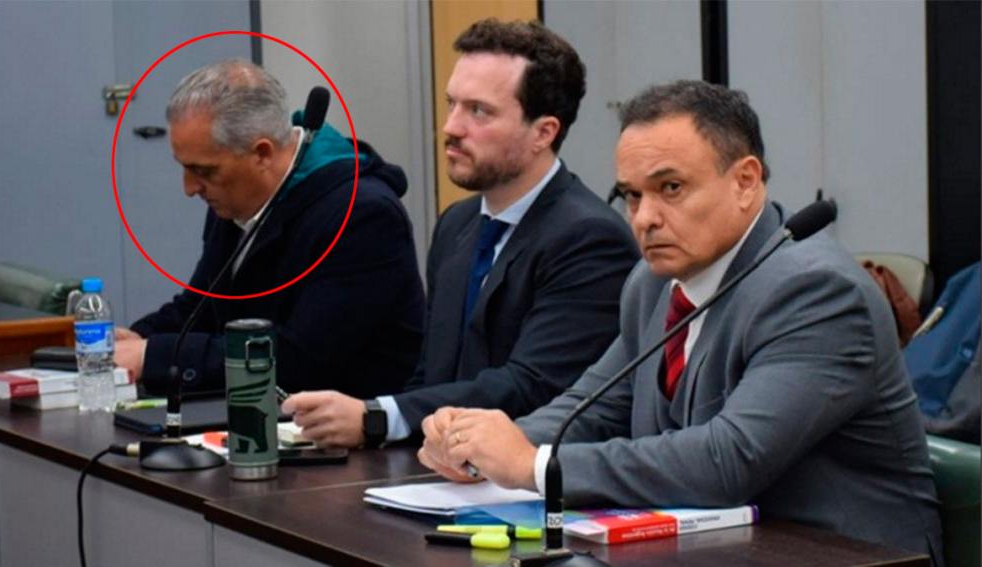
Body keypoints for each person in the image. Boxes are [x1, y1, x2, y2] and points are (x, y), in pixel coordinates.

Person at [418, 80, 944, 562]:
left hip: (841, 554)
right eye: (632, 195)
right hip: (706, 548)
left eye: (670, 188)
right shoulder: (652, 284)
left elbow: (728, 459)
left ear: (745, 181)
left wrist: (534, 466)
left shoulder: (816, 292)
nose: (645, 218)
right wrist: (479, 443)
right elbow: (593, 407)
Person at [280, 20, 639, 449]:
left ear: (543, 133)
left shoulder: (590, 238)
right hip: (440, 466)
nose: (451, 127)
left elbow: (531, 386)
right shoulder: (457, 223)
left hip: (528, 474)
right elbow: (430, 377)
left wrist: (378, 417)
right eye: (452, 104)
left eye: (479, 111)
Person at [114, 59, 424, 399]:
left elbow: (300, 359)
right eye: (185, 168)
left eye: (204, 171)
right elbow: (202, 307)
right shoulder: (236, 197)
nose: (189, 188)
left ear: (261, 153)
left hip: (344, 423)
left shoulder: (363, 217)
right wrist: (138, 339)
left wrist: (154, 356)